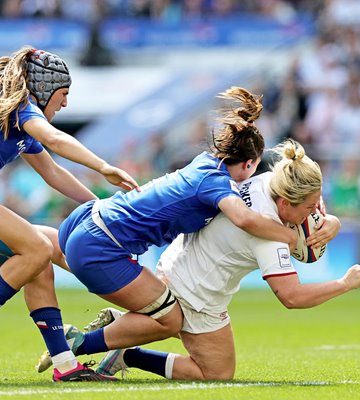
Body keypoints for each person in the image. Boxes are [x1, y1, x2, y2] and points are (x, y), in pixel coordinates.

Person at [35, 89, 333, 373]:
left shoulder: (209, 166)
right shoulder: (217, 185)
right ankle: (84, 343)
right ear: (249, 163)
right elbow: (246, 221)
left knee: (37, 251)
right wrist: (292, 238)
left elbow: (298, 196)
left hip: (99, 221)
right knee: (173, 324)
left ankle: (118, 330)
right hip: (110, 242)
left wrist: (332, 223)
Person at [0, 46, 139, 382]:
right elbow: (54, 138)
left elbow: (53, 174)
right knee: (37, 249)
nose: (65, 103)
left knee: (41, 264)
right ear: (45, 89)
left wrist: (99, 205)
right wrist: (103, 166)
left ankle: (66, 366)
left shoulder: (16, 118)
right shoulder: (23, 109)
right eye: (63, 94)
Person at [85, 139, 360, 380]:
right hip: (195, 289)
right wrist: (344, 283)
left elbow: (311, 205)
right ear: (285, 204)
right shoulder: (269, 233)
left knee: (190, 339)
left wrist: (333, 220)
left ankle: (127, 326)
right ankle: (126, 350)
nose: (312, 215)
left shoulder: (272, 178)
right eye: (308, 209)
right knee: (216, 372)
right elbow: (292, 297)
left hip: (181, 260)